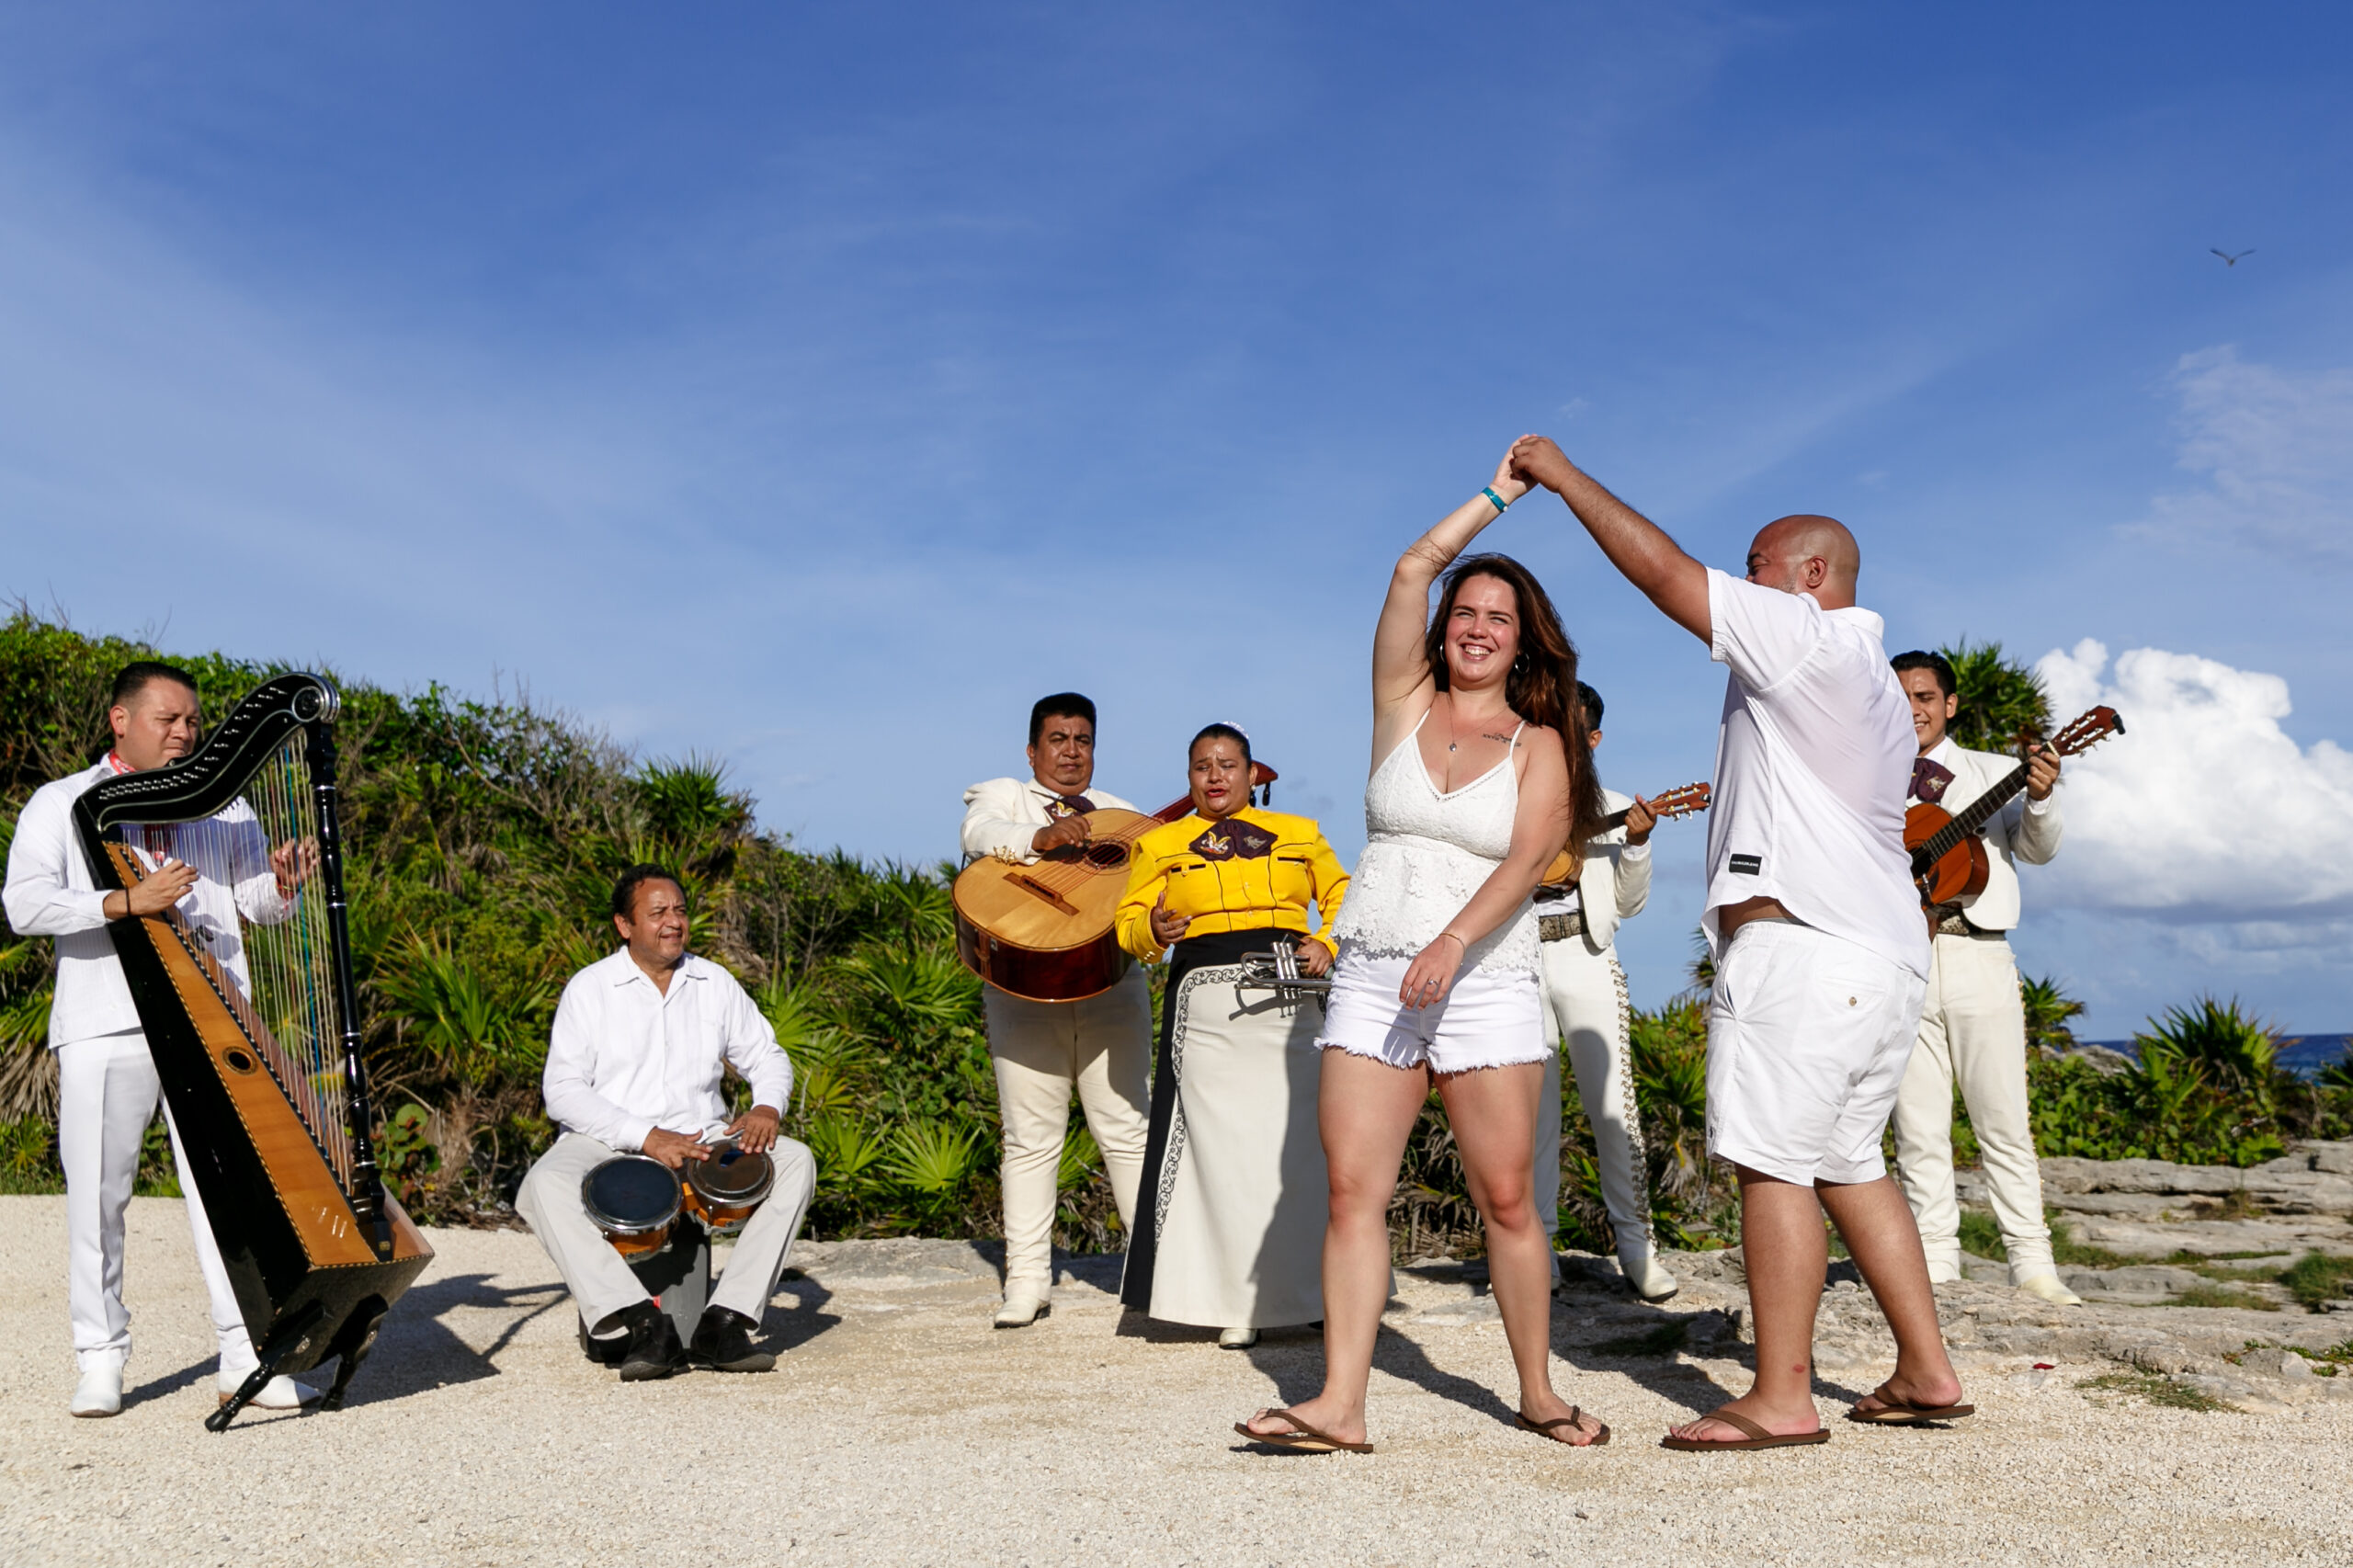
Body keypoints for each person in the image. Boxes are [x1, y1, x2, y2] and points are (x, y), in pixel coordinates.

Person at [1510, 434, 1969, 1449]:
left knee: (1772, 1163)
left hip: (1801, 948)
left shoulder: (1805, 635)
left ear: (1809, 575)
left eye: (1756, 563)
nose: (1743, 579)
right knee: (1850, 1160)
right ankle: (1926, 1368)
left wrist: (1559, 474)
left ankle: (1780, 1394)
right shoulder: (1873, 684)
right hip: (1881, 953)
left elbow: (1669, 576)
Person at [1237, 444, 1613, 1454]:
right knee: (1355, 1189)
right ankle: (1339, 1405)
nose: (1477, 627)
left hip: (1483, 973)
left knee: (1505, 1197)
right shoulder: (1399, 707)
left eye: (1498, 616)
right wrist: (1499, 496)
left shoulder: (1541, 741)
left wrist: (1452, 942)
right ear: (1444, 632)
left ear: (1523, 642)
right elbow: (1411, 566)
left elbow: (1533, 853)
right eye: (1466, 613)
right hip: (1372, 967)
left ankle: (1536, 1389)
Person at [3, 661, 317, 1417]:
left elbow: (254, 905)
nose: (184, 734)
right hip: (104, 1018)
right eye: (168, 720)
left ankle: (246, 1355)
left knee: (226, 1198)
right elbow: (24, 904)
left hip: (211, 1021)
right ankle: (100, 1357)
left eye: (192, 723)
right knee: (99, 1197)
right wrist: (122, 901)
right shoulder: (62, 801)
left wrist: (283, 883)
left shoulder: (227, 805)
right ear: (121, 720)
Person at [516, 865, 816, 1381]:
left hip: (701, 1135)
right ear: (624, 925)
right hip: (608, 1139)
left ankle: (725, 1322)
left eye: (679, 910)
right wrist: (646, 1137)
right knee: (542, 1185)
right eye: (657, 913)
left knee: (795, 1161)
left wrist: (767, 1106)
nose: (673, 922)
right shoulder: (590, 989)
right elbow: (563, 1092)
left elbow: (766, 1056)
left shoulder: (713, 982)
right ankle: (639, 1323)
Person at [1114, 723, 1348, 1348]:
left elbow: (1347, 896)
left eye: (1226, 765)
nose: (1214, 777)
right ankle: (1239, 1303)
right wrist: (1155, 929)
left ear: (1252, 774)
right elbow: (1127, 922)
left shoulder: (1302, 833)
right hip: (1206, 1001)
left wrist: (1327, 942)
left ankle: (1322, 1295)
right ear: (1188, 777)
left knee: (1299, 1145)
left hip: (1291, 995)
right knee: (1220, 1156)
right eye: (1200, 767)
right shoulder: (1160, 843)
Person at [1888, 651, 2079, 1306]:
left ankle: (2033, 1264)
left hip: (1980, 954)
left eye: (1924, 697)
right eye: (1901, 696)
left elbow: (2037, 849)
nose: (1913, 708)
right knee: (1918, 1127)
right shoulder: (1865, 778)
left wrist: (2043, 797)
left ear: (1950, 705)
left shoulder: (1998, 774)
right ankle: (1937, 1263)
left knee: (2003, 1121)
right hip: (1902, 960)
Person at [960, 693, 1153, 1327]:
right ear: (1032, 750)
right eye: (1059, 739)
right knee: (1030, 1139)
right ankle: (1027, 1282)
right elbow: (978, 835)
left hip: (1109, 984)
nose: (1072, 751)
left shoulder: (1126, 817)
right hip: (1022, 983)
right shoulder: (1002, 795)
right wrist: (1038, 837)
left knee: (1128, 1130)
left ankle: (1156, 1275)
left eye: (1083, 740)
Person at [1531, 681, 1677, 1302]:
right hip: (1513, 960)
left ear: (1592, 739)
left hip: (1586, 954)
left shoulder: (1614, 805)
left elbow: (1628, 904)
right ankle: (1535, 1250)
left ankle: (1637, 1247)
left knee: (1613, 1108)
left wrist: (1638, 842)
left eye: (1571, 729)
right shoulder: (1506, 798)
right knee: (1526, 1113)